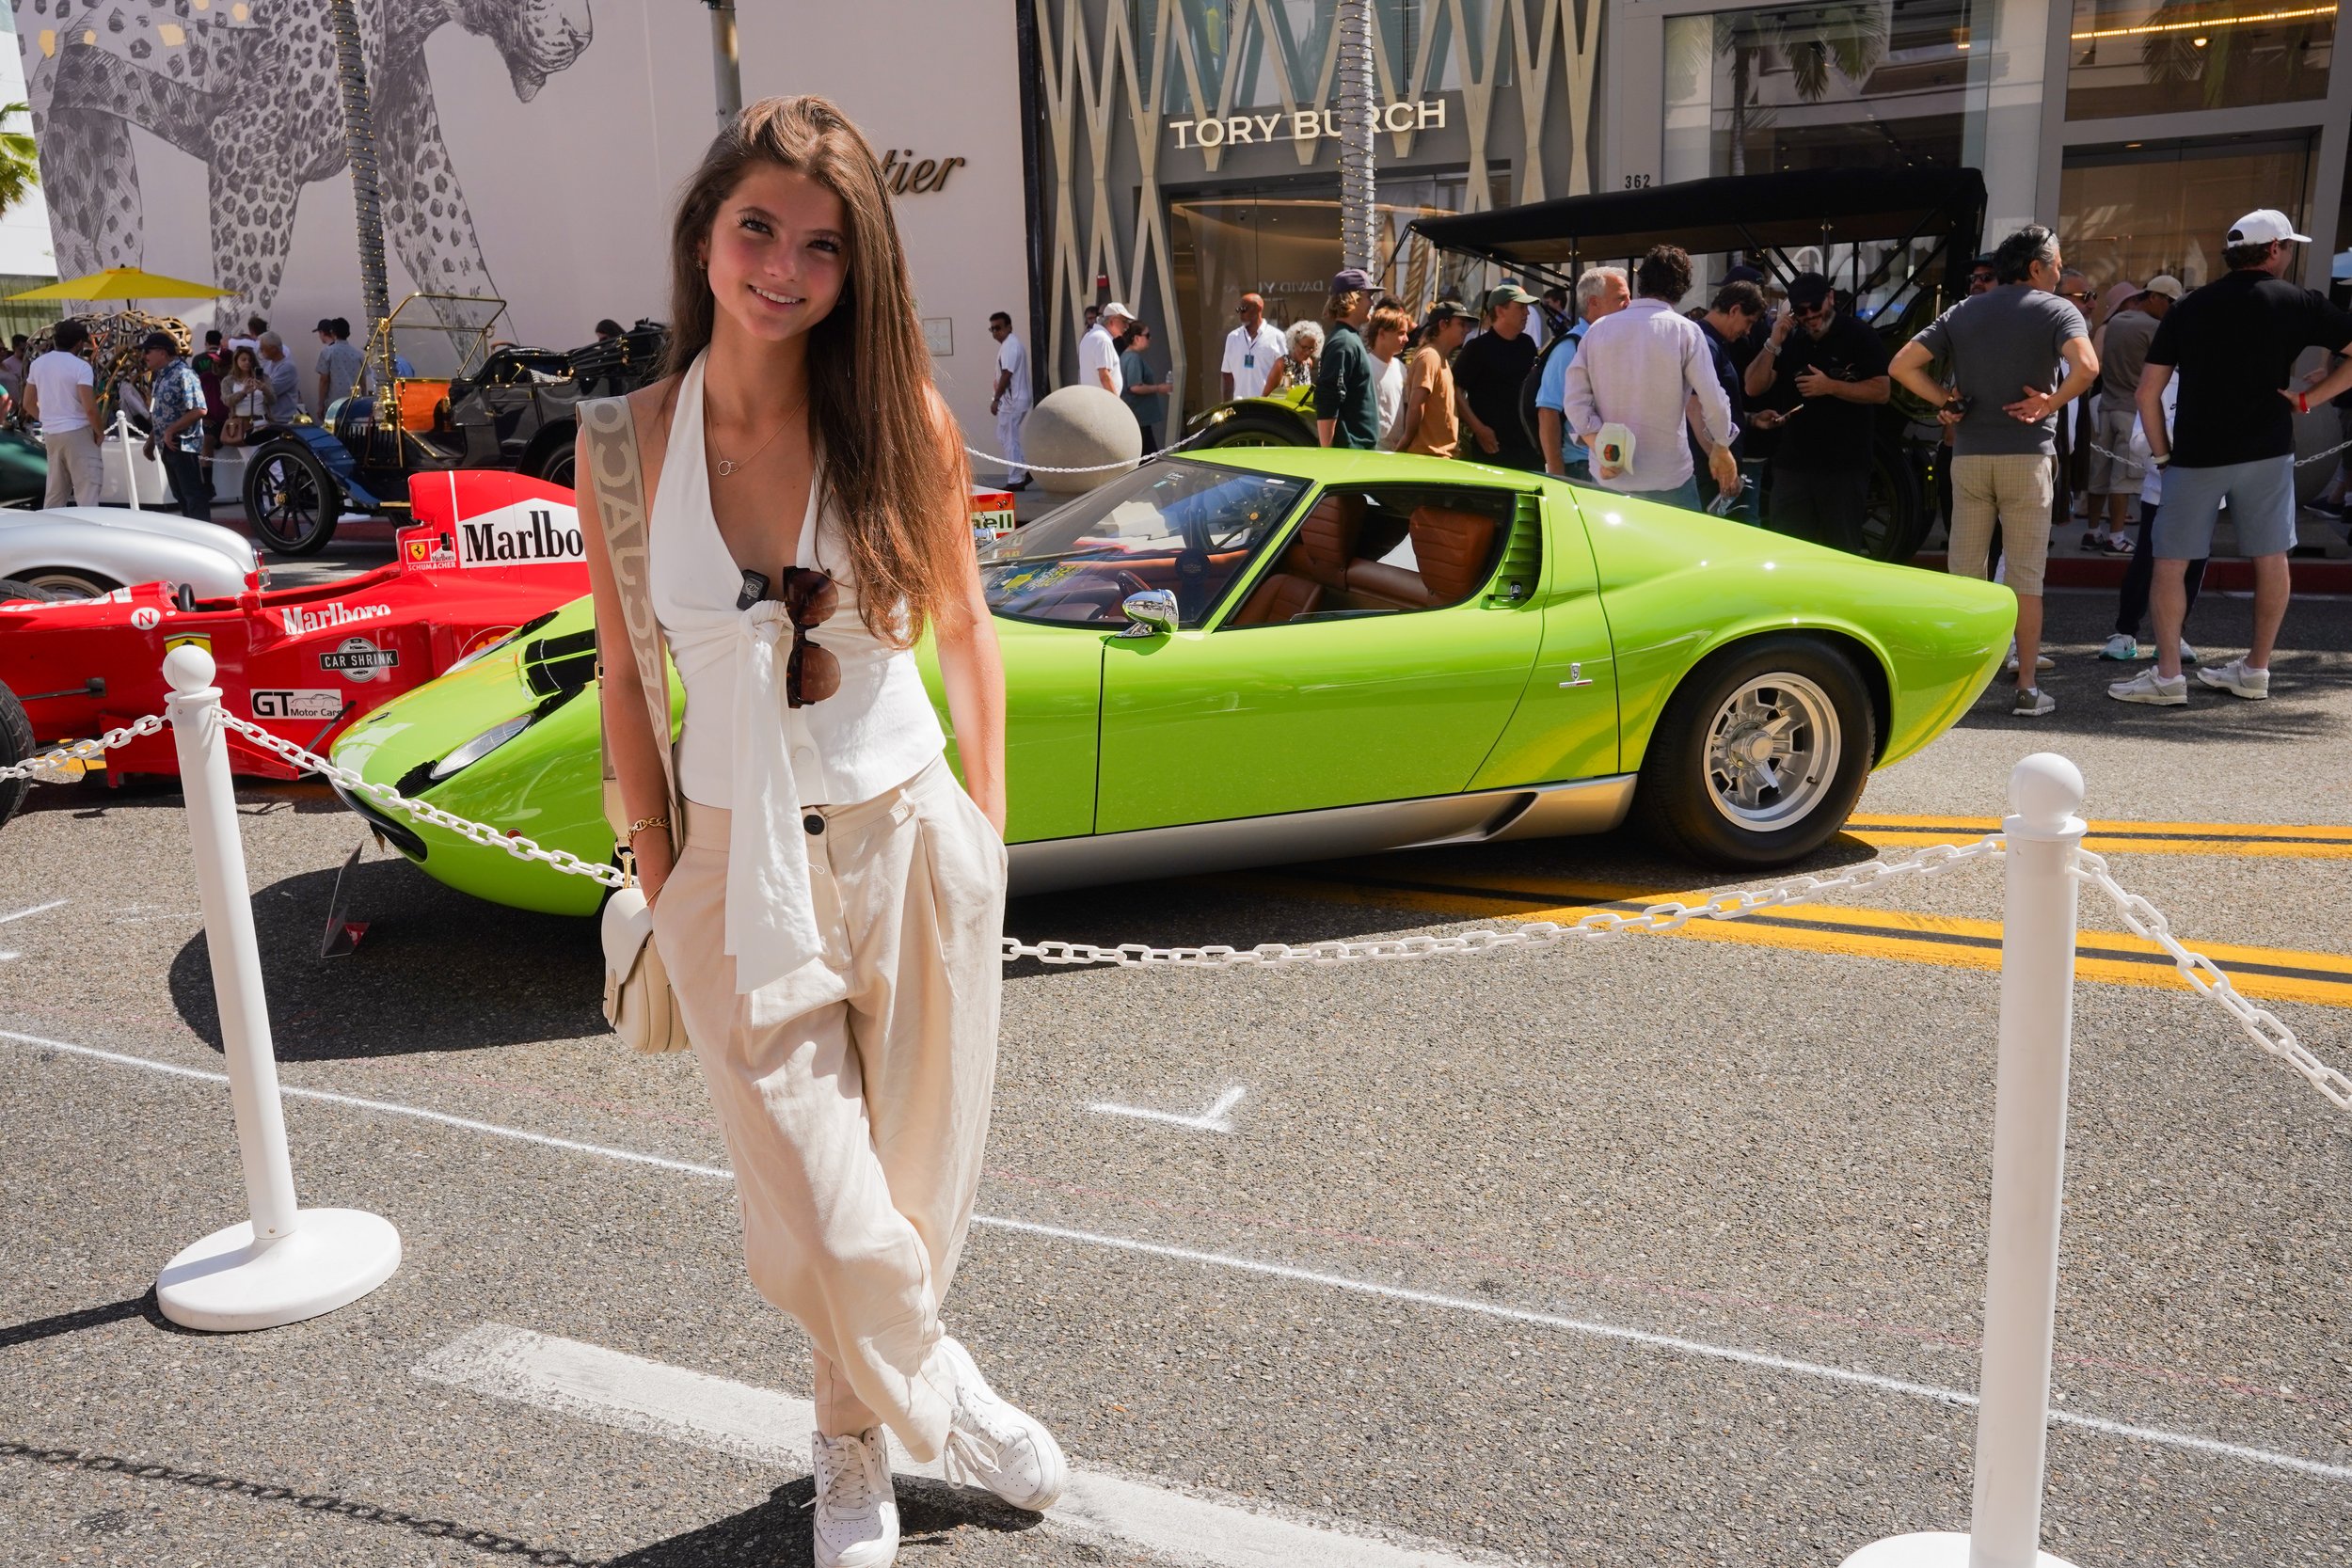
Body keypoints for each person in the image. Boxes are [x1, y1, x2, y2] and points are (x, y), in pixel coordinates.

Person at [580, 95, 1059, 1568]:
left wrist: (984, 837)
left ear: (859, 270)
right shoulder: (622, 443)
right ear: (703, 236)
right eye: (757, 228)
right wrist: (664, 878)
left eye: (823, 246)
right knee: (833, 1216)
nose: (783, 267)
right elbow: (625, 678)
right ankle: (940, 1388)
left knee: (911, 1191)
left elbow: (967, 629)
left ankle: (849, 1441)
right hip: (733, 869)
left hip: (908, 836)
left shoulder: (902, 419)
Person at [2129, 208, 2352, 705]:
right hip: (2267, 451)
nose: (2289, 255)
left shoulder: (2188, 306)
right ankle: (2255, 670)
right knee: (2271, 558)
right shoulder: (2297, 300)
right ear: (2273, 250)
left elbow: (2147, 393)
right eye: (2288, 247)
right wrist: (2310, 398)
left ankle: (2168, 677)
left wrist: (2162, 456)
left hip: (2195, 454)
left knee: (2170, 562)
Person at [1889, 224, 2098, 717]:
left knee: (1966, 576)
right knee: (2026, 578)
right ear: (2036, 268)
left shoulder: (1965, 310)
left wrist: (1947, 401)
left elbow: (1901, 366)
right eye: (2056, 263)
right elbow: (2087, 368)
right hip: (2027, 456)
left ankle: (1960, 688)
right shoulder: (2059, 310)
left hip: (1970, 456)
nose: (2060, 271)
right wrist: (2049, 403)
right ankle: (2026, 687)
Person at [1561, 245, 1739, 508]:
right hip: (1669, 479)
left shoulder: (1597, 330)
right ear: (1682, 289)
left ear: (1641, 282)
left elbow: (1574, 401)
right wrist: (1721, 444)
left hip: (1612, 479)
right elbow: (1713, 398)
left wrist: (1600, 446)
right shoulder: (1685, 331)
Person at [1745, 271, 1889, 549]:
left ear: (1830, 298)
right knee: (1789, 549)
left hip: (1843, 467)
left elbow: (1882, 391)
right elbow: (1752, 387)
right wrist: (1773, 342)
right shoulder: (1791, 339)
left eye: (1815, 306)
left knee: (1840, 549)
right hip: (1793, 466)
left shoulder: (1859, 335)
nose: (1810, 315)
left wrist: (1830, 386)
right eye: (1801, 310)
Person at [2103, 372, 2205, 691]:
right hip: (2159, 491)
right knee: (2146, 563)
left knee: (2195, 564)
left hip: (2206, 493)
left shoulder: (2218, 379)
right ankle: (2126, 632)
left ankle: (2173, 636)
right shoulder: (2162, 381)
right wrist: (2169, 442)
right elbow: (2137, 441)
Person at [2085, 275, 2180, 557]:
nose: (2172, 308)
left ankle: (2092, 530)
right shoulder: (2155, 328)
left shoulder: (2115, 322)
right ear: (2154, 297)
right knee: (2124, 478)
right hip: (2132, 411)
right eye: (2170, 301)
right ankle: (2116, 537)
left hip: (2106, 405)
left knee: (2100, 473)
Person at [1534, 266, 1629, 480]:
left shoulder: (1612, 343)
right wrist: (1557, 475)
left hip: (1612, 465)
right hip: (1581, 468)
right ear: (1594, 302)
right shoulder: (1570, 348)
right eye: (1621, 298)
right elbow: (1548, 411)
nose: (1629, 304)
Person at [1690, 277, 1765, 515]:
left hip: (1713, 464)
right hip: (1709, 469)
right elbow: (1693, 406)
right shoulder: (1707, 344)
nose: (1748, 331)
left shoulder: (1712, 342)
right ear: (1734, 310)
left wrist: (1751, 418)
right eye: (1748, 321)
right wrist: (1719, 457)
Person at [1452, 282, 1542, 469]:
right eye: (1521, 307)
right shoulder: (1477, 348)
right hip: (1493, 448)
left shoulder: (1527, 344)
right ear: (1500, 310)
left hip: (1528, 447)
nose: (1527, 313)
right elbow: (1455, 390)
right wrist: (1478, 429)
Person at [24, 320, 103, 506]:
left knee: (55, 494)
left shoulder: (38, 364)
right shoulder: (81, 366)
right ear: (79, 343)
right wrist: (99, 432)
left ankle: (49, 525)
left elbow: (27, 403)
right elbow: (90, 408)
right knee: (87, 492)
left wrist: (48, 419)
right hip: (78, 432)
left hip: (51, 433)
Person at [139, 331, 211, 519]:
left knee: (192, 495)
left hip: (183, 444)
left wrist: (171, 430)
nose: (144, 356)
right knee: (181, 496)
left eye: (148, 351)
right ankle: (190, 533)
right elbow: (160, 413)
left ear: (163, 352)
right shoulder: (160, 376)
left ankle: (202, 533)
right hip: (167, 446)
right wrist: (152, 440)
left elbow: (199, 409)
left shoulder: (184, 374)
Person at [1312, 267, 1380, 449]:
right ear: (1353, 298)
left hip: (1355, 452)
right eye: (1369, 296)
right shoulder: (1343, 342)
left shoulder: (1348, 338)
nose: (1372, 302)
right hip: (1350, 453)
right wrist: (1327, 452)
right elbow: (1328, 398)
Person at [1395, 300, 1470, 457]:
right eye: (1461, 324)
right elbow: (1416, 406)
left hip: (1437, 455)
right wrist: (1406, 440)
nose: (1467, 329)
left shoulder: (1439, 357)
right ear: (1443, 325)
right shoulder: (1430, 357)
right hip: (1427, 455)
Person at [985, 309, 1030, 488]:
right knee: (1004, 435)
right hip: (1013, 399)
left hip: (1013, 400)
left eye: (999, 328)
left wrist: (996, 399)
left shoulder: (1011, 345)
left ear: (1009, 327)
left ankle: (1015, 479)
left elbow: (1007, 373)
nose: (995, 332)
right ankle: (1024, 469)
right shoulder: (1009, 345)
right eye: (992, 329)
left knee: (1009, 438)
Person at [1219, 293, 1287, 403]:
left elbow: (1285, 375)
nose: (1241, 314)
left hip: (1267, 405)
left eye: (1244, 309)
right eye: (1239, 310)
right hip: (1239, 405)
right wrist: (1225, 406)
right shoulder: (1233, 337)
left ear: (1258, 308)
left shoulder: (1277, 337)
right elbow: (1227, 375)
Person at [1117, 321, 1171, 452]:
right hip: (1138, 417)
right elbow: (1135, 387)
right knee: (1148, 456)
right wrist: (1159, 388)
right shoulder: (1132, 358)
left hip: (1136, 418)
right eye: (1147, 335)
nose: (1150, 338)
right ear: (1136, 338)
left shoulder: (1127, 356)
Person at [1366, 305, 1410, 450]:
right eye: (1401, 333)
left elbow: (1406, 406)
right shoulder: (1366, 366)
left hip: (1397, 450)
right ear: (1382, 333)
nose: (1406, 339)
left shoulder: (1400, 367)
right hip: (1374, 449)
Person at [216, 345, 270, 446]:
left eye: (250, 360)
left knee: (268, 454)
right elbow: (227, 401)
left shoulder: (263, 378)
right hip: (240, 424)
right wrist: (243, 392)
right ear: (236, 361)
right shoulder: (228, 381)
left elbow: (273, 400)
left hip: (262, 422)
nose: (247, 362)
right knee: (249, 455)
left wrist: (265, 389)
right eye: (243, 359)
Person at [314, 317, 365, 416]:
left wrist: (320, 405)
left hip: (335, 403)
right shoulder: (358, 354)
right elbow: (363, 382)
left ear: (332, 332)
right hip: (355, 402)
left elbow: (324, 380)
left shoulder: (327, 352)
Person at [1077, 301, 1127, 395]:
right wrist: (1115, 401)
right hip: (1103, 400)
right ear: (1112, 321)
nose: (1126, 326)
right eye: (1124, 322)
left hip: (1094, 398)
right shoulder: (1103, 340)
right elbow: (1104, 376)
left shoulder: (1090, 336)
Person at [1269, 318, 1322, 393]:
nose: (1307, 353)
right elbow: (1266, 395)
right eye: (1304, 347)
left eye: (1311, 348)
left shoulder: (1308, 363)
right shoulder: (1281, 364)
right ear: (1294, 343)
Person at [257, 331, 301, 422]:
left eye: (263, 348)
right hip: (270, 417)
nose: (261, 351)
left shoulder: (287, 367)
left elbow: (271, 391)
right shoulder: (268, 364)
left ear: (273, 349)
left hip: (283, 419)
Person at [0, 334, 28, 405]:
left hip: (19, 406)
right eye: (0, 350)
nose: (2, 351)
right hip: (8, 407)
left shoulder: (5, 366)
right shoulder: (8, 363)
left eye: (4, 349)